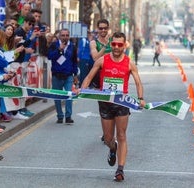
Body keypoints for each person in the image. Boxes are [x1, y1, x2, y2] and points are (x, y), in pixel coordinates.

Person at [81, 32, 145, 181]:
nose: (116, 47)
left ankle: (120, 170)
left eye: (119, 45)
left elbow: (138, 82)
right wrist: (82, 90)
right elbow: (89, 77)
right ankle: (112, 148)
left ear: (124, 45)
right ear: (111, 44)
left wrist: (141, 98)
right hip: (105, 103)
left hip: (122, 103)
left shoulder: (129, 63)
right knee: (108, 138)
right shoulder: (102, 60)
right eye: (114, 44)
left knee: (122, 135)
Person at [47, 28, 78, 124]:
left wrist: (75, 74)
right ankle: (60, 116)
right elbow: (49, 56)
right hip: (57, 75)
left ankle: (68, 116)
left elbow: (74, 61)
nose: (65, 37)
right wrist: (59, 49)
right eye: (63, 35)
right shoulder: (54, 45)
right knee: (57, 96)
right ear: (59, 36)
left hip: (68, 75)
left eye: (67, 35)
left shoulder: (72, 46)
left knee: (69, 95)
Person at [89, 19, 112, 142]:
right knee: (103, 107)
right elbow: (95, 57)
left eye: (105, 28)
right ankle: (106, 133)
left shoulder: (113, 42)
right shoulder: (94, 43)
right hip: (100, 79)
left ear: (108, 28)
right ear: (97, 29)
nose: (103, 30)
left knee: (114, 105)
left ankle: (110, 132)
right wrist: (105, 45)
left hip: (114, 77)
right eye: (101, 28)